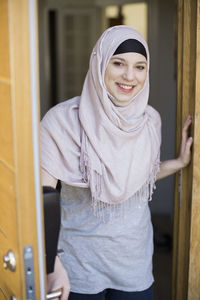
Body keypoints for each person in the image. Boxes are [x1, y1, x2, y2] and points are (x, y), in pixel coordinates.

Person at [41, 25, 192, 300]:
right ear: (100, 63)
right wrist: (51, 263)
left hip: (133, 264)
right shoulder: (61, 121)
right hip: (77, 266)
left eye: (140, 66)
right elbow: (43, 197)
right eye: (118, 63)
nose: (129, 76)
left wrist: (180, 162)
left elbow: (136, 177)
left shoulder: (149, 121)